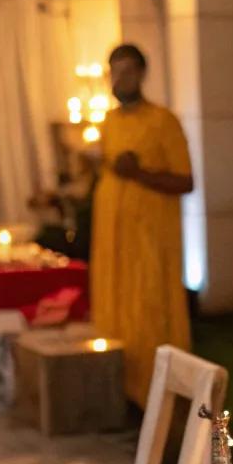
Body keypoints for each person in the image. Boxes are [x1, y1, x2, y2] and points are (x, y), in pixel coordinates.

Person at [90, 43, 194, 406]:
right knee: (114, 308)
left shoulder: (163, 121)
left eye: (129, 70)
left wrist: (140, 173)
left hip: (150, 240)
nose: (122, 79)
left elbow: (185, 181)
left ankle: (157, 391)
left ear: (142, 74)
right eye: (115, 71)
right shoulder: (109, 122)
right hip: (113, 242)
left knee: (150, 309)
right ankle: (118, 387)